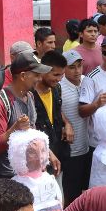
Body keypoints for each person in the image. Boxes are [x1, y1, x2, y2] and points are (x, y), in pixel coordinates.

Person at [0, 51, 58, 182]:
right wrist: (15, 129)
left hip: (28, 175)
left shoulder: (29, 96)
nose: (40, 79)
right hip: (7, 178)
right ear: (23, 76)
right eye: (36, 75)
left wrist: (48, 153)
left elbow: (32, 132)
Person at [59, 50, 92, 205]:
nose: (77, 70)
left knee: (86, 189)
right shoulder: (59, 88)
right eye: (72, 67)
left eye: (79, 66)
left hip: (88, 145)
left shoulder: (87, 81)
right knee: (71, 192)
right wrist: (66, 123)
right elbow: (53, 110)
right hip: (71, 150)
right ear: (64, 68)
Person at [33, 51, 72, 179]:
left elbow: (57, 111)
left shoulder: (56, 88)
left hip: (58, 153)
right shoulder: (29, 95)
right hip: (38, 158)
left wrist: (67, 124)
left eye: (62, 75)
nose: (59, 79)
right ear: (43, 70)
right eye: (55, 75)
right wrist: (47, 153)